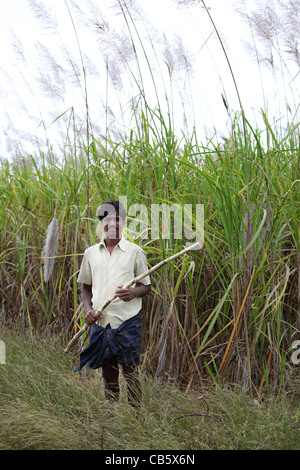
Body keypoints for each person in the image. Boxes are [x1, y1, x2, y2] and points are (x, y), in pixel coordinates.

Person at [75, 200, 151, 408]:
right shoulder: (91, 253)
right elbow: (85, 287)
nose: (112, 223)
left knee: (131, 373)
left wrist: (133, 292)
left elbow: (146, 286)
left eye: (116, 219)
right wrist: (88, 310)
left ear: (123, 222)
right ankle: (112, 416)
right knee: (109, 374)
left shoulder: (135, 252)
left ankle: (136, 417)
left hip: (127, 323)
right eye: (107, 219)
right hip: (101, 323)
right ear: (101, 224)